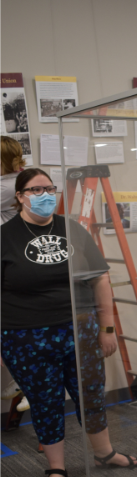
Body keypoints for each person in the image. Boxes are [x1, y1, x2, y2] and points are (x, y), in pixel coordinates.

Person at [1, 168, 137, 477]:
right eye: (36, 190)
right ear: (20, 196)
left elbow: (100, 280)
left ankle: (104, 452)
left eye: (50, 188)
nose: (45, 195)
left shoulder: (73, 230)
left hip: (79, 330)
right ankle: (56, 469)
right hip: (25, 337)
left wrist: (107, 329)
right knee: (44, 401)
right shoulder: (4, 237)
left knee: (91, 393)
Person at [1, 136, 30, 412]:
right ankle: (21, 382)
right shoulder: (17, 180)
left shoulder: (9, 186)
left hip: (10, 257)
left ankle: (26, 383)